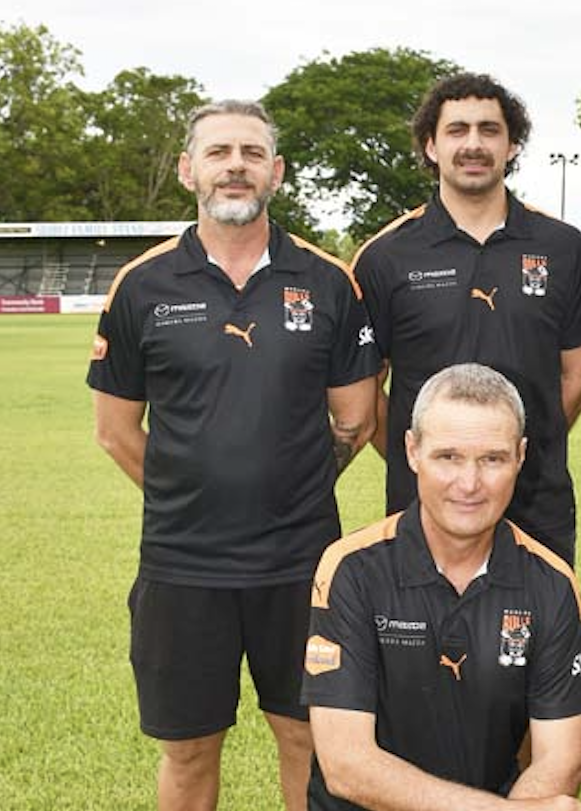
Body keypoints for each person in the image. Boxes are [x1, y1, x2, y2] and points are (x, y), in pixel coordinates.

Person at [87, 100, 380, 811]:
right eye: (219, 152)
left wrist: (289, 487)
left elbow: (357, 417)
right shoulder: (144, 284)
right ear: (190, 170)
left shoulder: (327, 281)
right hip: (183, 565)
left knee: (306, 740)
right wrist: (193, 491)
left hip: (300, 563)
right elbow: (117, 430)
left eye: (252, 152)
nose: (236, 165)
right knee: (187, 751)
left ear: (275, 173)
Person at [302, 363, 581, 811]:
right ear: (412, 451)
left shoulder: (550, 583)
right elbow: (347, 765)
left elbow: (563, 758)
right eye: (448, 457)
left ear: (520, 456)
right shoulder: (350, 570)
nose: (469, 484)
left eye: (492, 459)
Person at [353, 73, 581, 568]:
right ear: (431, 146)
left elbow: (577, 376)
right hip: (422, 507)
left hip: (538, 502)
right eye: (457, 130)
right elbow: (367, 395)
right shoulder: (384, 256)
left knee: (533, 644)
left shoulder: (563, 247)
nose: (474, 144)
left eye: (490, 130)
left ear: (513, 146)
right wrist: (431, 461)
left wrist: (508, 457)